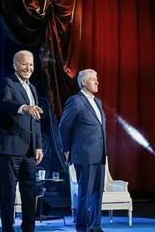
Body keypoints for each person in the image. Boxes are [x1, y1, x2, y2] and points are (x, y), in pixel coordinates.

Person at [0, 50, 44, 232]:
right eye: (24, 64)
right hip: (9, 148)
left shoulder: (33, 88)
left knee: (30, 193)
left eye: (31, 64)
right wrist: (24, 107)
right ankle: (8, 229)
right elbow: (4, 104)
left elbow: (35, 120)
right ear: (15, 65)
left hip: (29, 151)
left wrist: (38, 146)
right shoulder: (8, 82)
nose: (28, 68)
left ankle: (29, 229)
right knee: (8, 193)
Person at [59, 69, 106, 232]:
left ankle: (96, 226)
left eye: (97, 79)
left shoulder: (98, 102)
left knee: (98, 194)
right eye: (94, 79)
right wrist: (66, 149)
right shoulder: (76, 101)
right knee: (85, 194)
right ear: (84, 82)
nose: (97, 82)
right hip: (84, 155)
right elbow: (64, 126)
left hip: (99, 154)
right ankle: (82, 226)